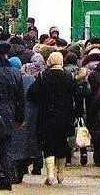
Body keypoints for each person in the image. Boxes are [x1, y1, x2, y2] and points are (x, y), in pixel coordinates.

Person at [27, 50, 80, 185]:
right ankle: (60, 173)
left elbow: (32, 93)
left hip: (46, 116)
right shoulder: (69, 77)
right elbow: (77, 94)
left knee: (48, 144)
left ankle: (50, 174)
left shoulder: (43, 76)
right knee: (62, 144)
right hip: (65, 116)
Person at [0, 42, 25, 190]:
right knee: (6, 147)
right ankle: (6, 178)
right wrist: (20, 117)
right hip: (9, 113)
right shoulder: (15, 73)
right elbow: (20, 98)